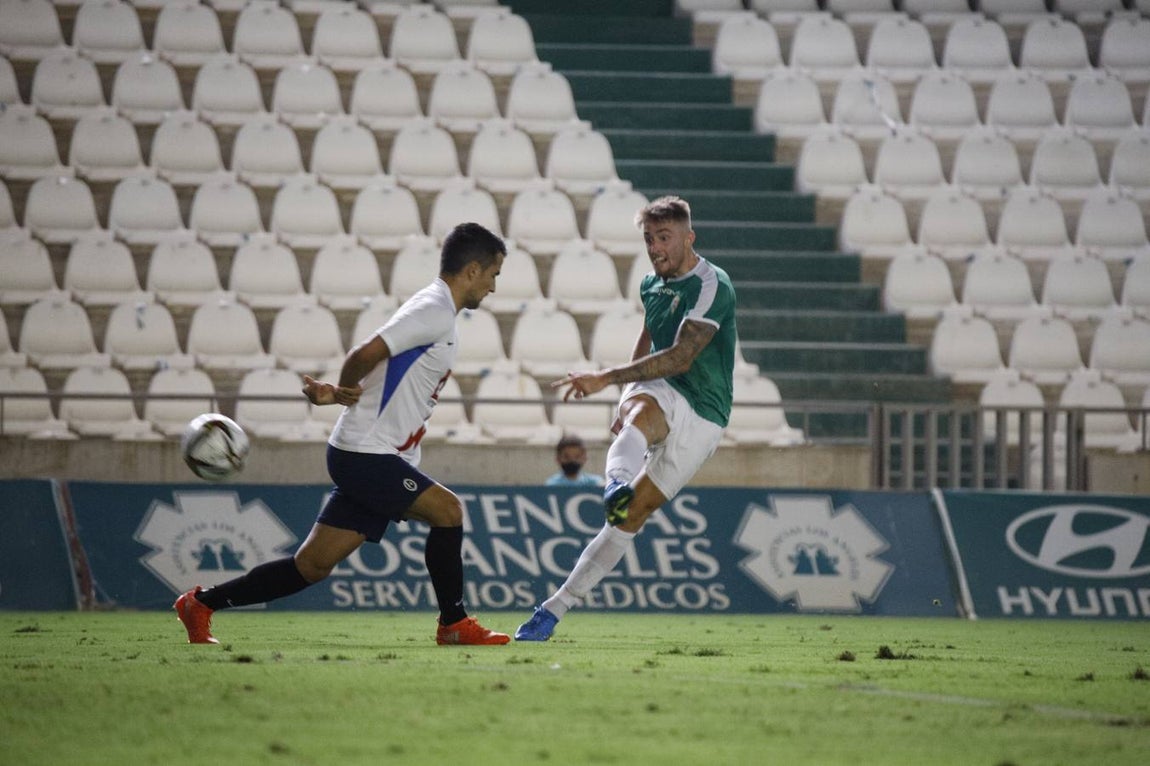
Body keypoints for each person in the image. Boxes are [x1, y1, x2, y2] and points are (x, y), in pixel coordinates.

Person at [175, 222, 511, 646]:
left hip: (372, 452)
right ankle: (454, 624)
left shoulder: (437, 309)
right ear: (473, 270)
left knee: (311, 566)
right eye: (493, 275)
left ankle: (200, 604)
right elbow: (363, 354)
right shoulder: (434, 310)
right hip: (366, 453)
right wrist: (342, 391)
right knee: (448, 511)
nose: (493, 286)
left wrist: (339, 393)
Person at [515, 196, 736, 641]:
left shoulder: (714, 285)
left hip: (706, 411)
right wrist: (627, 395)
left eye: (664, 238)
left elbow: (681, 357)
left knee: (631, 517)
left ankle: (563, 597)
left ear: (689, 238)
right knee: (639, 414)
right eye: (649, 239)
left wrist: (607, 378)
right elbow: (651, 333)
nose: (655, 248)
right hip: (666, 390)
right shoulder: (652, 284)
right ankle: (613, 487)